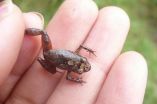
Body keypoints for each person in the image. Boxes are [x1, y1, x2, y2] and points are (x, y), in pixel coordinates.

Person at [0, 0, 147, 104]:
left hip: (51, 57)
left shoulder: (75, 64)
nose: (83, 65)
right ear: (81, 60)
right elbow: (69, 77)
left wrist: (81, 70)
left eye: (81, 69)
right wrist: (79, 79)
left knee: (49, 59)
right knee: (42, 33)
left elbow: (80, 51)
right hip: (51, 54)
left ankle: (39, 57)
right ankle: (23, 32)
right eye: (83, 63)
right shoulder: (72, 69)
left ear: (76, 68)